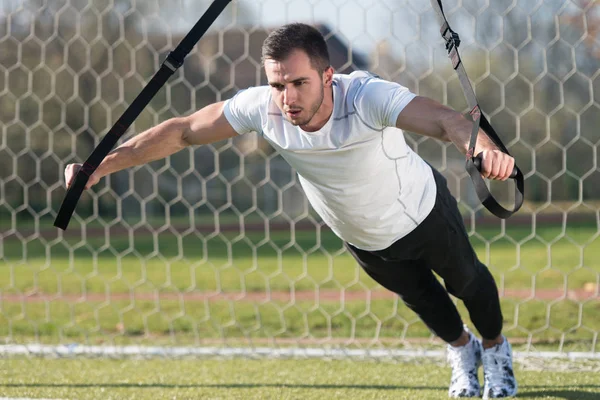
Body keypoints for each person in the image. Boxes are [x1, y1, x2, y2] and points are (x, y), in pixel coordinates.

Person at [64, 23, 517, 398]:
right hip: (363, 237)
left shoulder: (366, 97)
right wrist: (102, 166)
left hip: (423, 214)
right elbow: (182, 131)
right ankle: (463, 351)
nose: (288, 97)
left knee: (469, 283)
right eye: (278, 84)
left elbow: (444, 119)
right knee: (424, 300)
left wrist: (483, 149)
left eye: (299, 82)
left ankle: (496, 352)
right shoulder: (264, 109)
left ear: (328, 76)